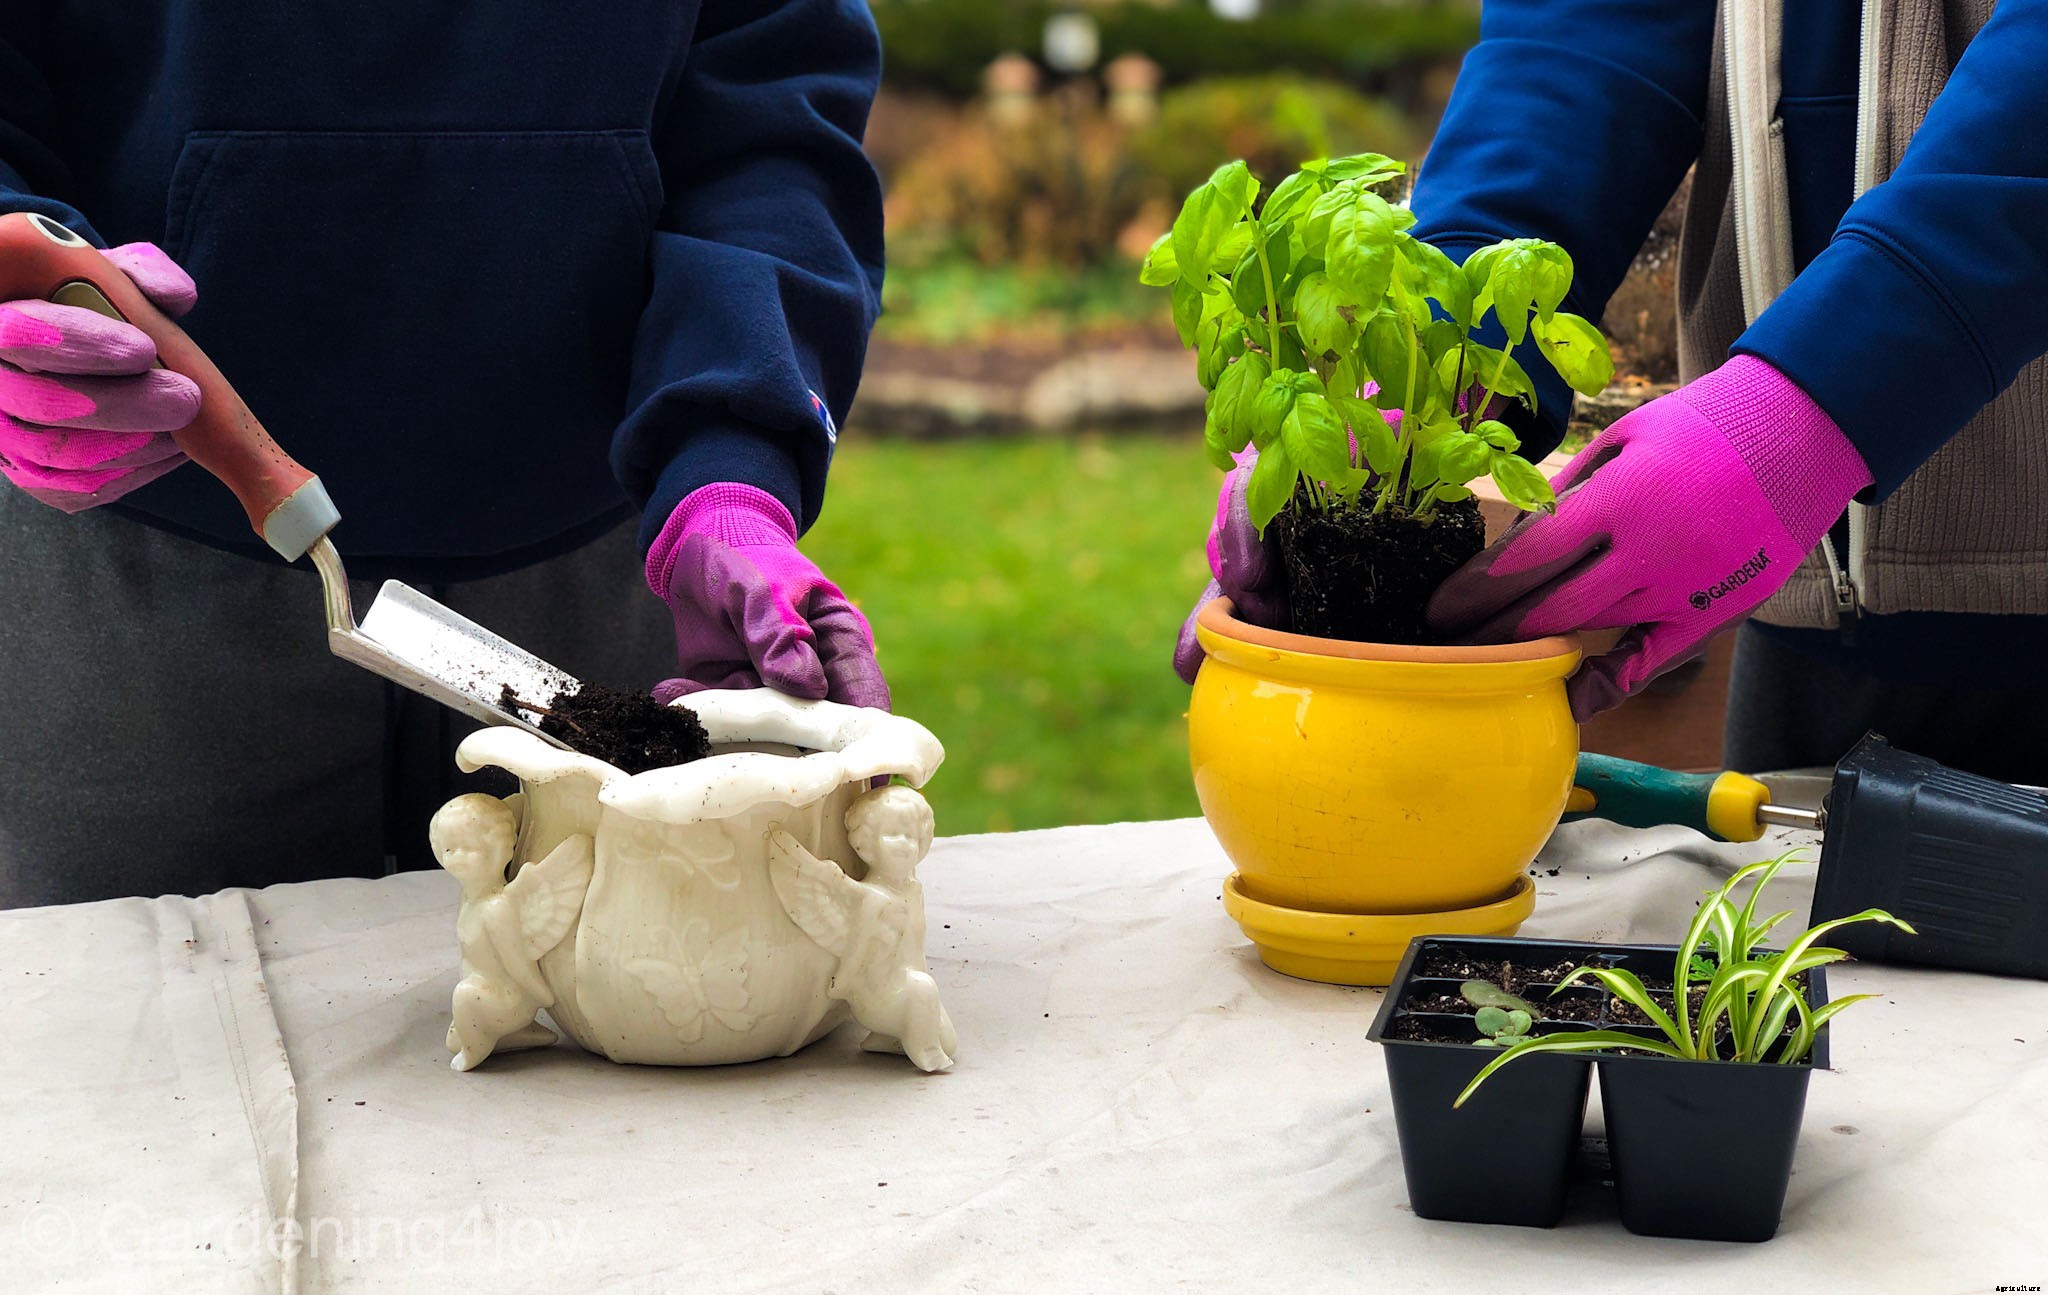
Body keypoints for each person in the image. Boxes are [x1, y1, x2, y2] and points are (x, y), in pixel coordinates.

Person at [0, 2, 890, 907]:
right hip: (132, 578)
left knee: (634, 1003)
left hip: (616, 554)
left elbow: (773, 111)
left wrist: (729, 465)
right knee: (152, 1024)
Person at [1180, 0, 2048, 786]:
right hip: (1809, 627)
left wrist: (1823, 397)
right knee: (1790, 952)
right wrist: (1441, 343)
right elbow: (1587, 31)